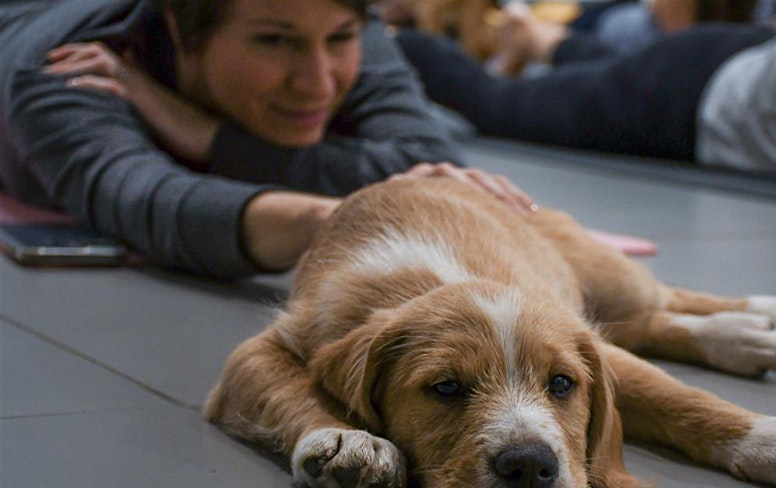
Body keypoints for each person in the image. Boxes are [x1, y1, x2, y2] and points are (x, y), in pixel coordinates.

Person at [0, 0, 531, 279]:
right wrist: (353, 217)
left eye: (340, 40)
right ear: (182, 33)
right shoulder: (70, 66)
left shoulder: (327, 18)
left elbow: (426, 159)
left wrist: (209, 138)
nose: (317, 83)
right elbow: (151, 204)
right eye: (274, 43)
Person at [396, 0, 776, 203]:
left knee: (598, 71)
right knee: (502, 104)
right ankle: (388, 37)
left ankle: (548, 41)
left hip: (740, 62)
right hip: (699, 91)